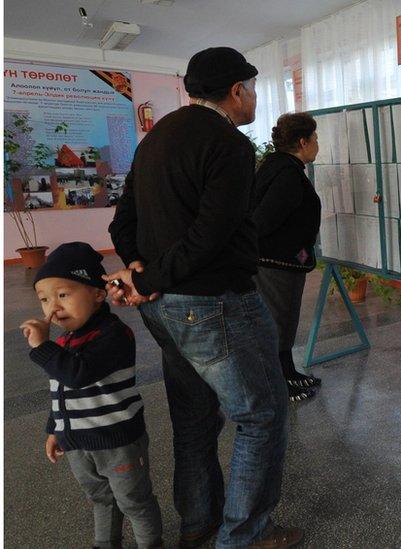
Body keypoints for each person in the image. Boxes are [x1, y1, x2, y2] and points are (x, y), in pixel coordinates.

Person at [106, 47, 301, 549]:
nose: (255, 98)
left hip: (162, 310)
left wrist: (136, 270)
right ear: (237, 91)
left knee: (193, 416)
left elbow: (123, 221)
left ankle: (198, 523)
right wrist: (149, 279)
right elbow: (211, 234)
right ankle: (245, 535)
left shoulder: (156, 139)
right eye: (253, 88)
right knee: (263, 413)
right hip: (214, 303)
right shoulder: (229, 144)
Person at [20, 242, 163, 549]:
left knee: (134, 502)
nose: (52, 308)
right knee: (100, 499)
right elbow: (63, 388)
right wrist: (55, 429)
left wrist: (43, 348)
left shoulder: (113, 335)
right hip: (78, 443)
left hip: (117, 441)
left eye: (63, 295)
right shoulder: (66, 340)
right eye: (44, 299)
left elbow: (78, 375)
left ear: (98, 294)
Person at [252, 113, 322, 402]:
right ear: (303, 141)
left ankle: (288, 371)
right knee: (278, 320)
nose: (318, 144)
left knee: (285, 318)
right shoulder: (287, 174)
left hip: (281, 260)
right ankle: (280, 382)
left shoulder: (279, 165)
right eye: (315, 138)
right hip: (275, 263)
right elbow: (263, 220)